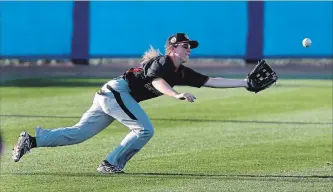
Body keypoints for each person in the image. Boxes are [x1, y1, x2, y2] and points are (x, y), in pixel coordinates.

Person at [12, 33, 252, 173]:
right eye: (186, 46)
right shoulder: (162, 62)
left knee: (78, 134)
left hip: (111, 95)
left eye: (191, 47)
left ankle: (32, 140)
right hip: (117, 92)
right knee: (144, 129)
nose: (190, 50)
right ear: (172, 48)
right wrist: (175, 95)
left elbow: (212, 80)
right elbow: (158, 82)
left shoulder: (182, 72)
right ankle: (110, 163)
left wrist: (245, 83)